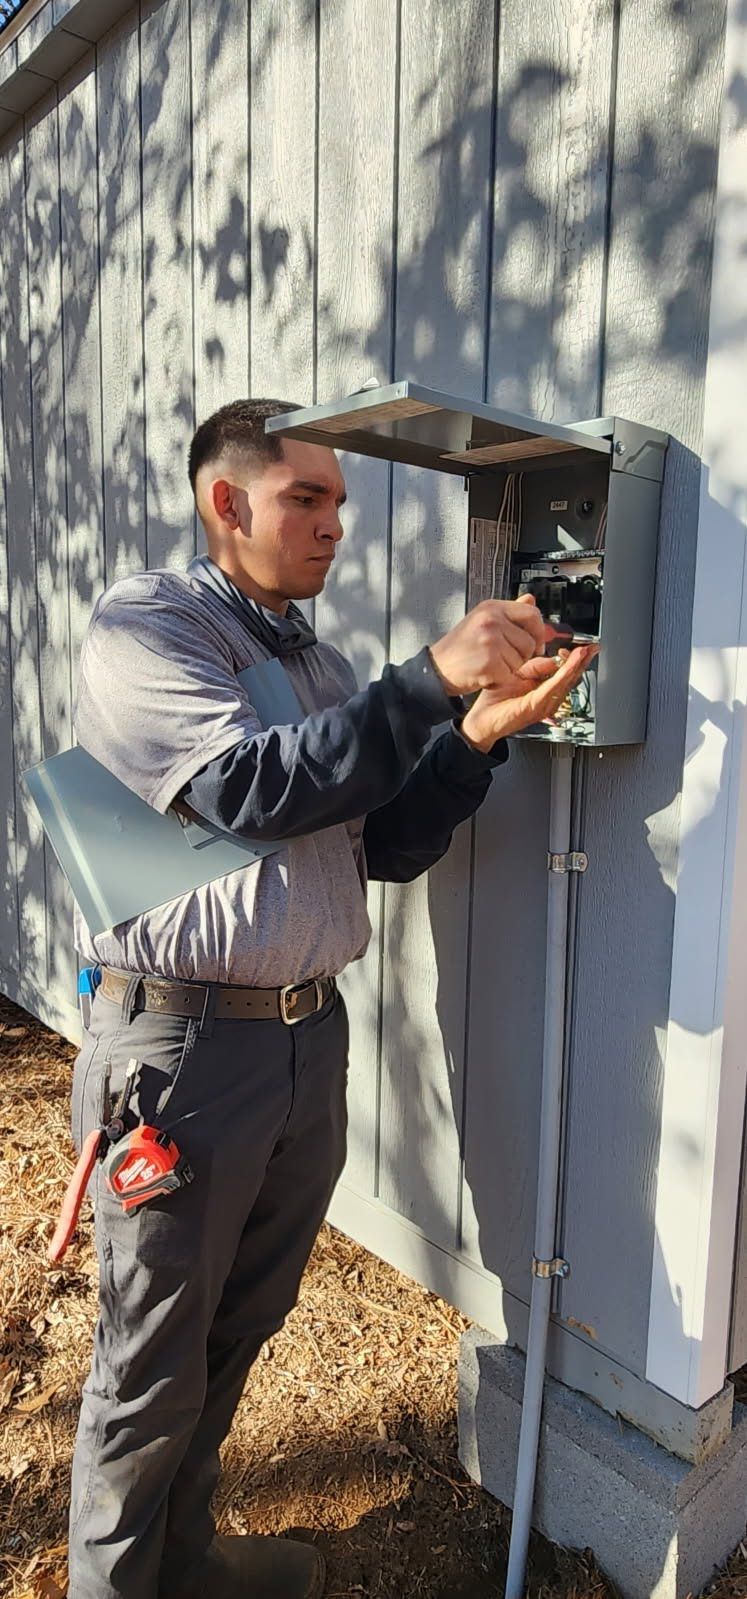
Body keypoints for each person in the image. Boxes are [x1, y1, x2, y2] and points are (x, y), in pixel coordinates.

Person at [66, 398, 594, 1599]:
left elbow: (377, 846)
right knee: (150, 1363)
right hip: (182, 1050)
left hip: (305, 1042)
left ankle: (182, 1562)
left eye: (341, 504)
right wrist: (425, 681)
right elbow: (250, 791)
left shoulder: (321, 665)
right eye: (308, 498)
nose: (334, 526)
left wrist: (471, 738)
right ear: (227, 503)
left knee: (237, 1329)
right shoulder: (147, 631)